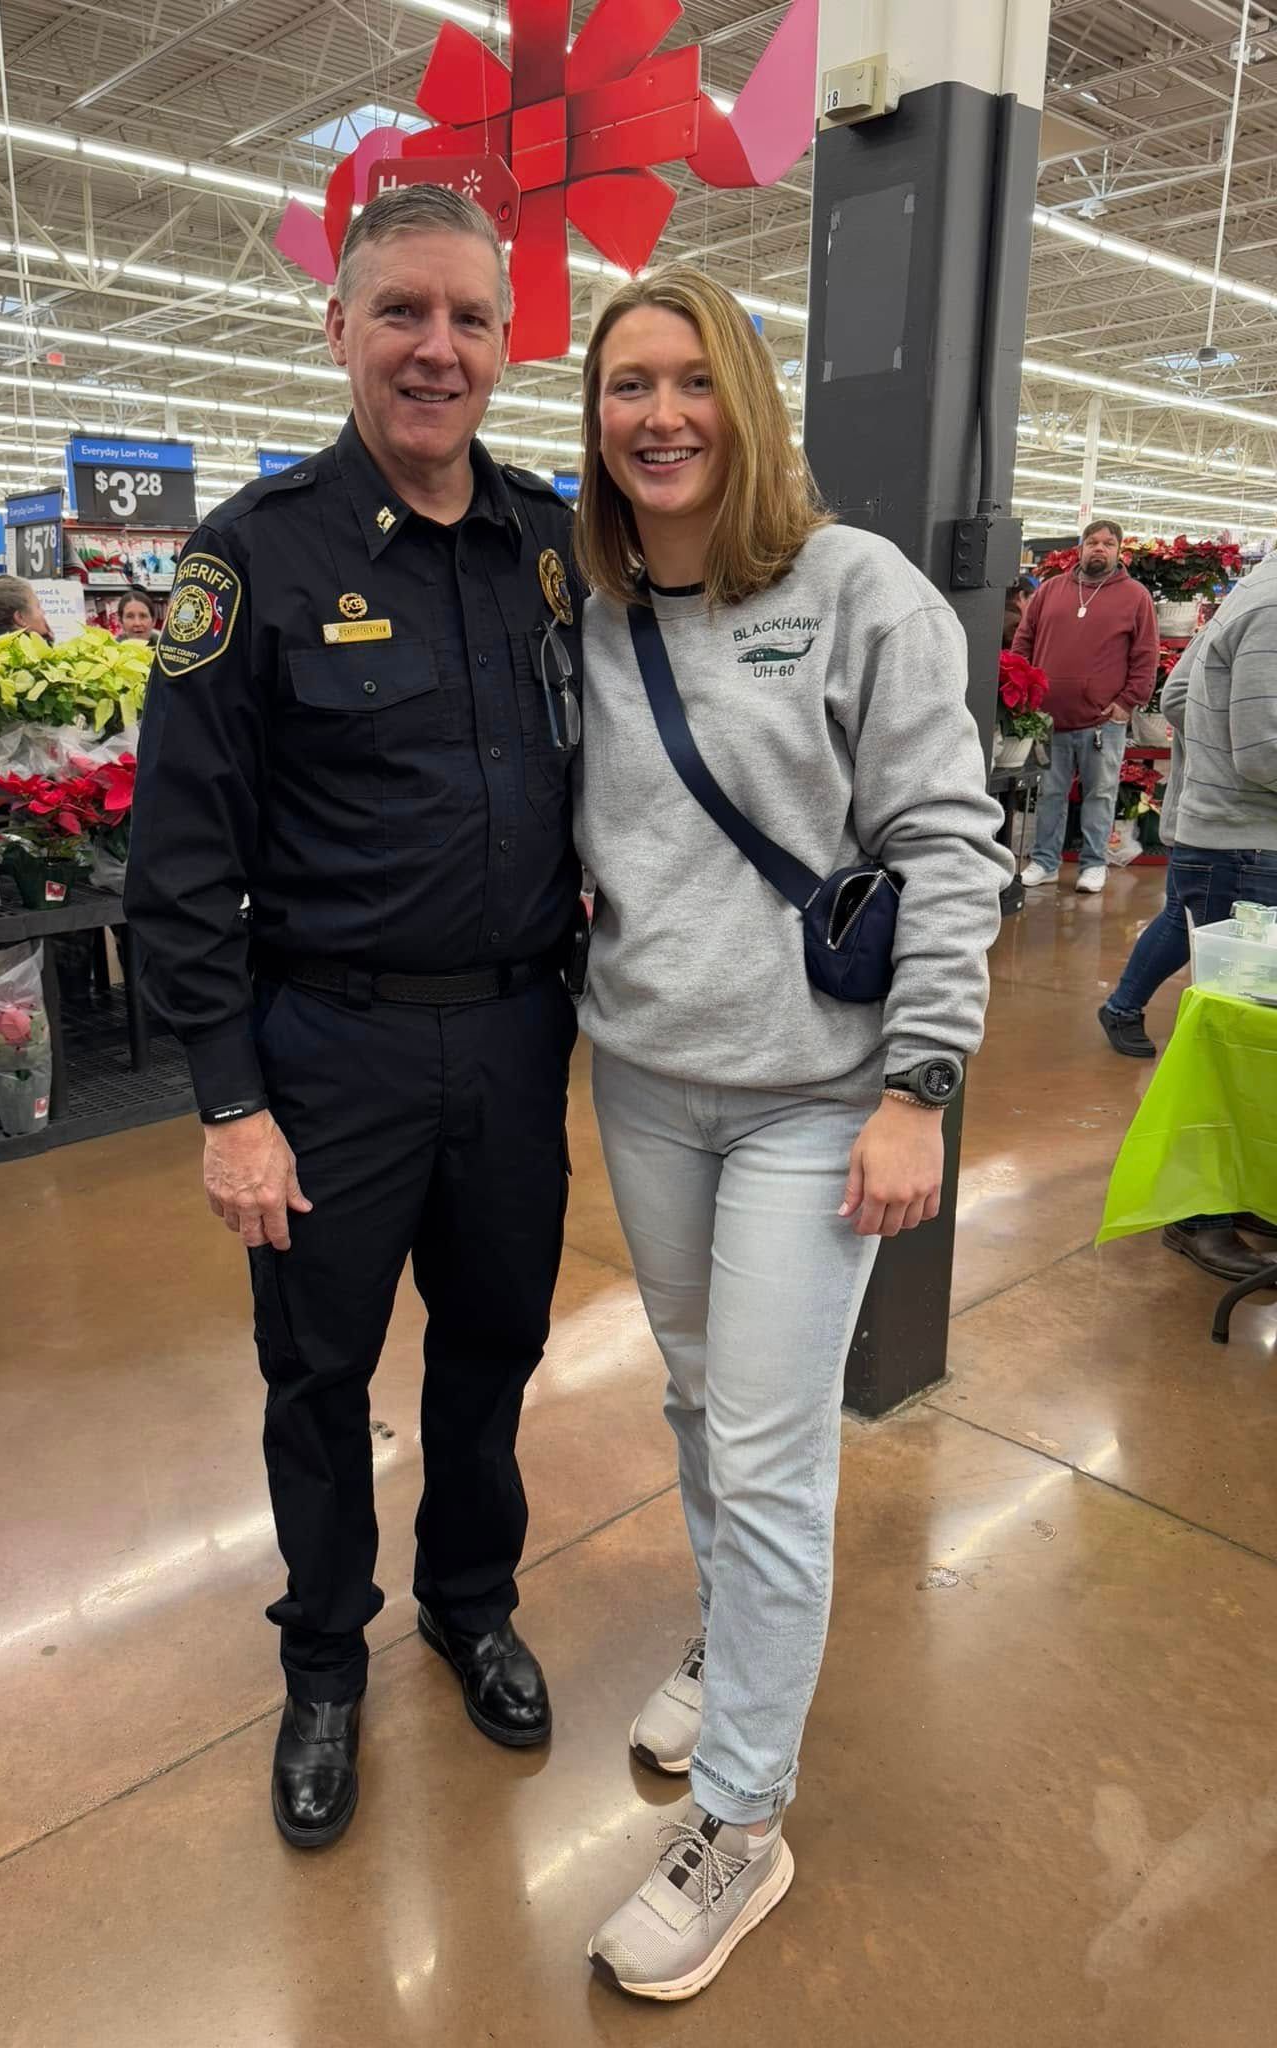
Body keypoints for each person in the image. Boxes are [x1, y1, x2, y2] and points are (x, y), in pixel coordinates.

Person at [126, 185, 583, 1851]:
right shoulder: (252, 558)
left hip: (520, 1037)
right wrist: (229, 1102)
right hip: (329, 1054)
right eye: (400, 312)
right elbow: (177, 857)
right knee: (317, 1376)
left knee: (494, 1346)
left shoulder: (549, 543)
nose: (434, 349)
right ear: (338, 327)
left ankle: (470, 1601)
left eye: (467, 317)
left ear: (507, 338)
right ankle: (324, 1662)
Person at [570, 269, 1009, 2001]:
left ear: (744, 399)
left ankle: (742, 1818)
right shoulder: (592, 611)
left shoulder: (858, 595)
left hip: (818, 1097)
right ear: (595, 422)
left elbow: (954, 847)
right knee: (695, 1393)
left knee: (764, 1450)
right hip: (647, 1076)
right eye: (625, 389)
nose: (658, 415)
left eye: (689, 381)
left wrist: (921, 1086)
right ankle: (724, 1636)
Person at [1098, 558, 1277, 1282]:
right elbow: (1265, 749)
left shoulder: (1249, 595)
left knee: (1232, 1034)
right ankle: (1197, 1213)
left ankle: (1227, 1194)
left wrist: (1207, 767)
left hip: (1228, 837)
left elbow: (1176, 695)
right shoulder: (1270, 609)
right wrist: (1226, 777)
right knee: (1224, 1038)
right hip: (1248, 845)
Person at [1014, 519, 1158, 894]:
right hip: (1048, 718)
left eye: (1108, 543)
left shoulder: (1135, 596)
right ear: (1080, 549)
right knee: (1050, 794)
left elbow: (1146, 655)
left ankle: (1094, 864)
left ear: (1118, 551)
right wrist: (1022, 690)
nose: (1099, 548)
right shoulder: (1050, 591)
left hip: (1103, 722)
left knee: (1100, 794)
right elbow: (1023, 641)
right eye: (1092, 542)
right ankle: (1044, 861)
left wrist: (1128, 703)